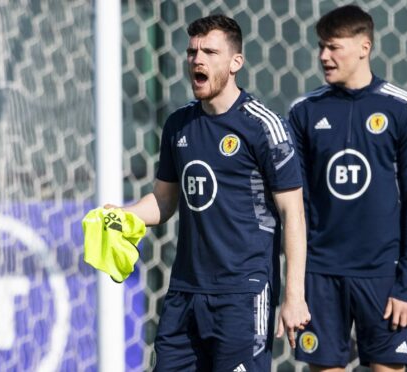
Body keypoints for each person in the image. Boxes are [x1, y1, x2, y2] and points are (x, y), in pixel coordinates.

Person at [105, 14, 310, 371]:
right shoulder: (178, 125)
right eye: (192, 51)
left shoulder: (264, 126)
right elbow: (164, 201)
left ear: (235, 63)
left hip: (242, 294)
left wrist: (294, 295)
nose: (197, 59)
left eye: (210, 52)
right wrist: (124, 214)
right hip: (185, 292)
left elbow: (293, 213)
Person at [288, 5, 407, 371]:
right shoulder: (303, 111)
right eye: (321, 46)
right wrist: (295, 288)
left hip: (381, 275)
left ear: (364, 47)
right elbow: (295, 206)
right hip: (320, 274)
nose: (323, 56)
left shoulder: (403, 108)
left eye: (333, 47)